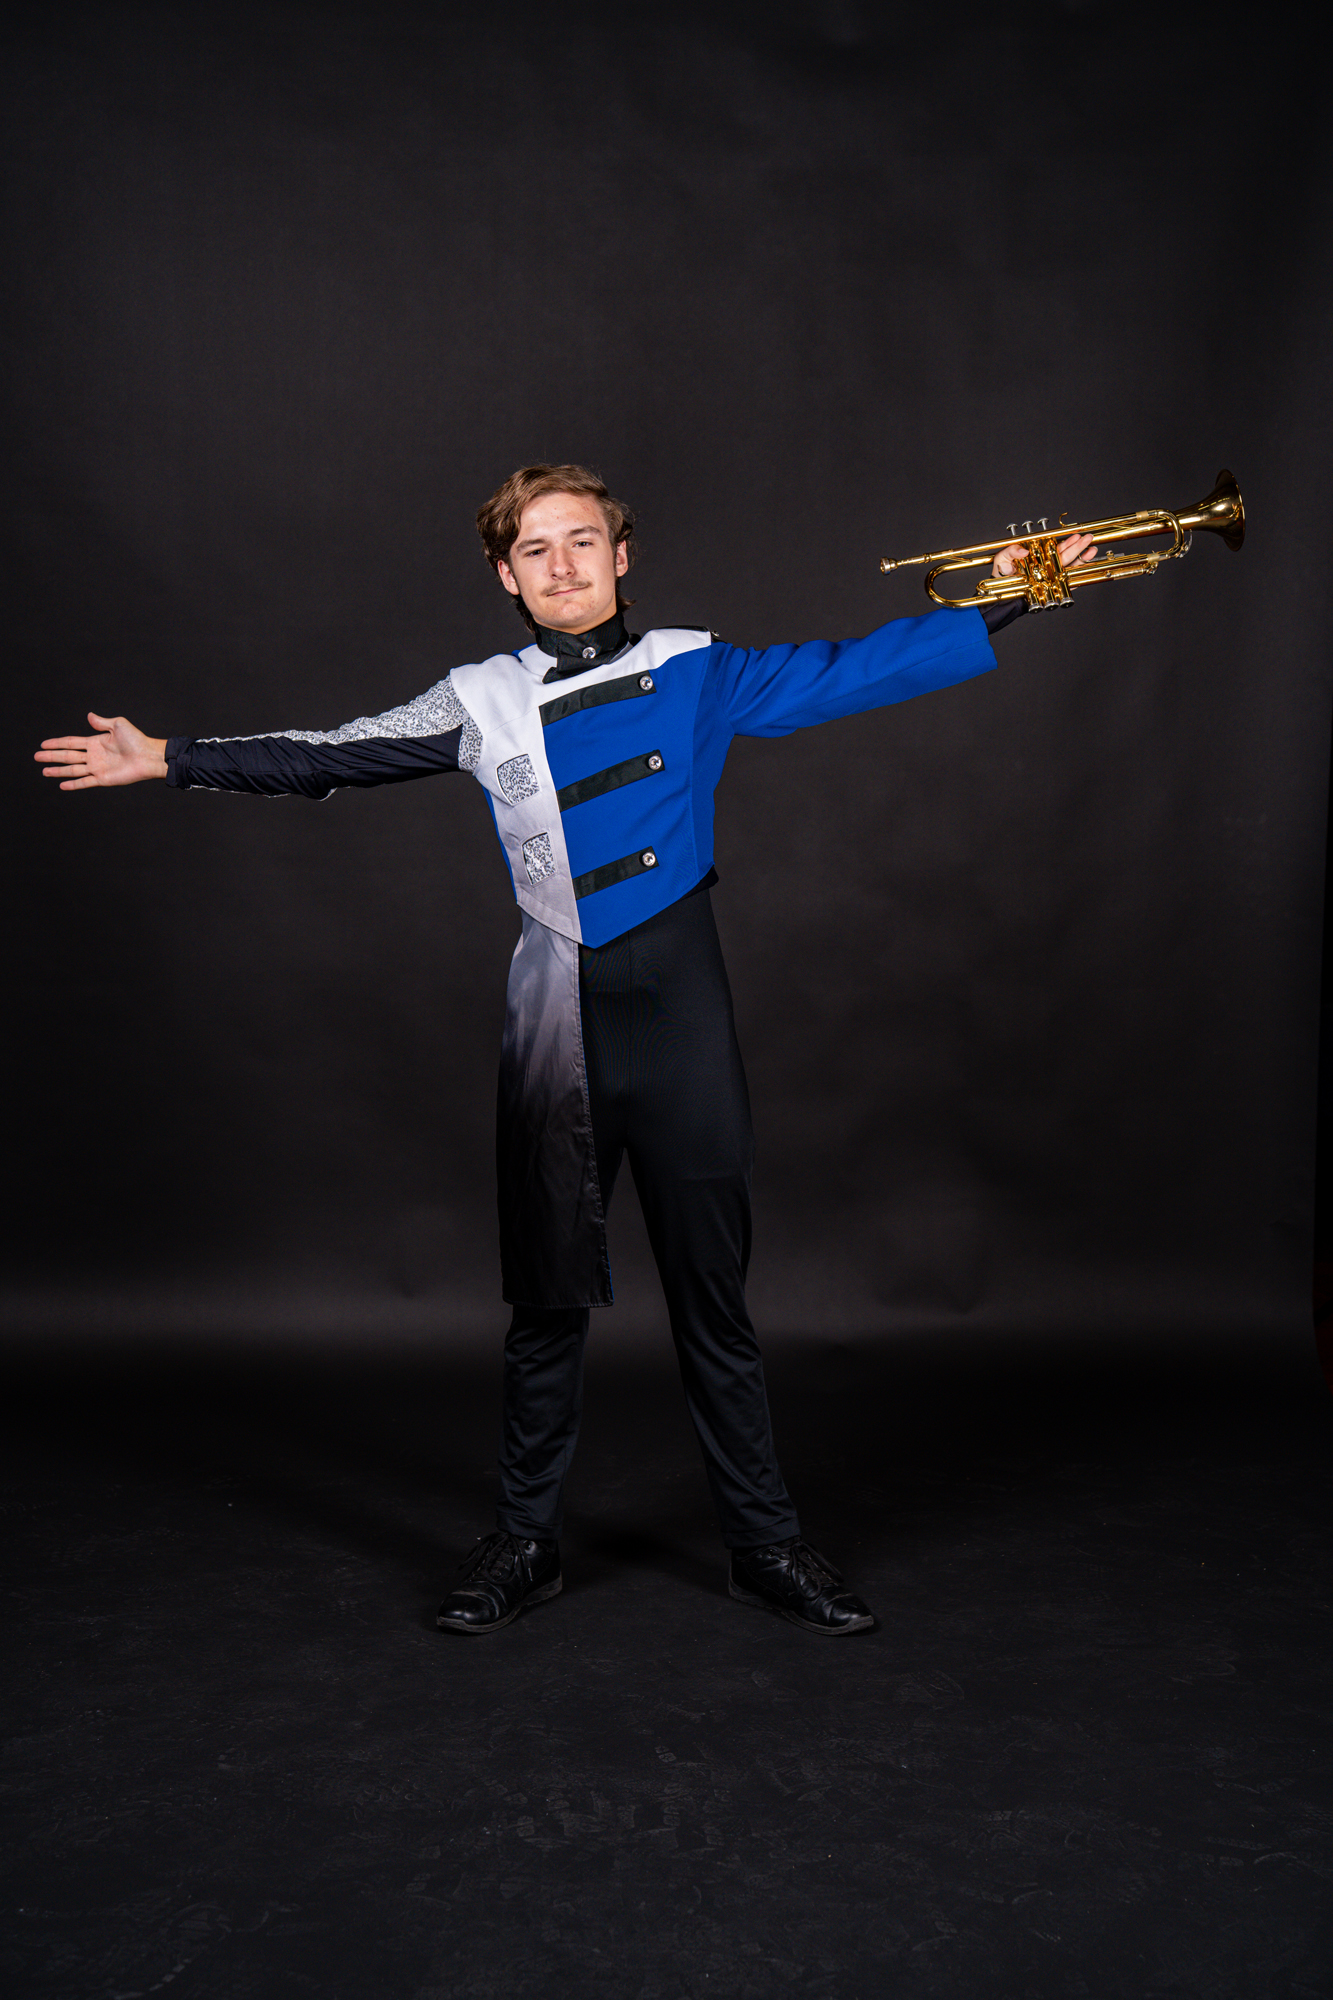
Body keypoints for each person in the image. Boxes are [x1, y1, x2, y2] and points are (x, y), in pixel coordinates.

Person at [36, 464, 1096, 1638]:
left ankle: (764, 1543)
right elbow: (332, 752)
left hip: (682, 1021)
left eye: (581, 540)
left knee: (714, 1301)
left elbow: (858, 668)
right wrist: (171, 754)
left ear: (621, 554)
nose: (562, 564)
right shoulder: (477, 699)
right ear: (506, 574)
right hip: (556, 1019)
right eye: (534, 549)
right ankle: (524, 1540)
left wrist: (1015, 591)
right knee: (545, 1302)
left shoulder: (697, 667)